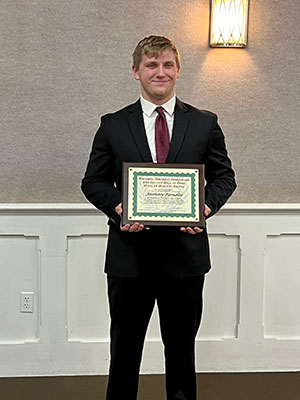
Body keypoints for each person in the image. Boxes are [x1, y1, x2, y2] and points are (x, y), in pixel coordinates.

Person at [81, 35, 236, 400]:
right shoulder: (113, 124)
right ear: (136, 71)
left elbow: (224, 177)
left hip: (185, 258)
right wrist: (120, 207)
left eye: (167, 65)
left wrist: (205, 207)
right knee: (124, 353)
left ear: (178, 70)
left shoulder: (204, 122)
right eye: (151, 65)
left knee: (181, 352)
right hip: (129, 259)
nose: (160, 72)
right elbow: (92, 181)